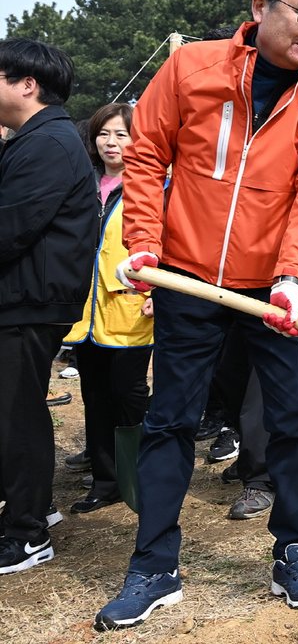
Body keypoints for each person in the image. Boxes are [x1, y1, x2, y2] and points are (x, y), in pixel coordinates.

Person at [95, 0, 298, 629]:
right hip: (186, 276)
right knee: (171, 420)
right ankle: (154, 565)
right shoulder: (191, 68)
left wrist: (293, 275)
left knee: (293, 421)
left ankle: (295, 552)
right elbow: (147, 155)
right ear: (261, 7)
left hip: (274, 290)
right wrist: (143, 242)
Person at [0, 39, 96, 575]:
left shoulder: (48, 143)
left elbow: (9, 228)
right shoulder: (36, 139)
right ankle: (29, 507)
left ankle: (27, 533)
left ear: (27, 84)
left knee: (17, 415)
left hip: (28, 299)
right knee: (15, 411)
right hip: (24, 298)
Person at [61, 103, 154, 515]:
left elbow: (170, 246)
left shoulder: (153, 187)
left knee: (128, 393)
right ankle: (105, 480)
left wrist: (158, 292)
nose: (110, 143)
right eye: (103, 133)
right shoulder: (82, 183)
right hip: (85, 312)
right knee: (94, 394)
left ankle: (143, 474)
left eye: (121, 134)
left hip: (130, 308)